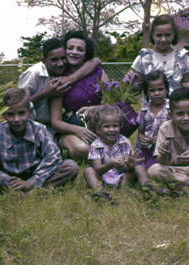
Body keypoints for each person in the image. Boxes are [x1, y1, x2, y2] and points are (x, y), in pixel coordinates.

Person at [130, 14, 189, 138]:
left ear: (173, 34)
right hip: (153, 104)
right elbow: (137, 88)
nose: (163, 39)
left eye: (167, 35)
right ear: (152, 35)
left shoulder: (181, 57)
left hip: (176, 103)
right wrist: (131, 82)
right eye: (159, 35)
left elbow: (186, 85)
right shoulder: (144, 57)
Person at [0, 89, 79, 194]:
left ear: (30, 112)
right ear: (4, 115)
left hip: (36, 174)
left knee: (70, 166)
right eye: (11, 114)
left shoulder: (39, 130)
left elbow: (53, 157)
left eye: (21, 113)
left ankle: (31, 192)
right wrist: (7, 180)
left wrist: (32, 181)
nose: (16, 119)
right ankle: (23, 192)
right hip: (10, 179)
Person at [18, 38, 101, 138]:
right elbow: (18, 104)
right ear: (44, 61)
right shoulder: (33, 73)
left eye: (63, 58)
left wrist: (71, 78)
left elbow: (95, 61)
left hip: (51, 128)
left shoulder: (62, 70)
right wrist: (45, 93)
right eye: (54, 60)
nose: (60, 63)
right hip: (29, 125)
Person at [50, 30, 108, 159]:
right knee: (82, 149)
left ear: (86, 53)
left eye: (80, 49)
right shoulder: (59, 78)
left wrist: (95, 108)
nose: (74, 52)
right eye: (70, 48)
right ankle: (72, 145)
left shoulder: (99, 72)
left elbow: (112, 104)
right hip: (71, 126)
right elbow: (55, 121)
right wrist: (77, 130)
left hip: (96, 121)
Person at [83, 105, 142, 201]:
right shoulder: (96, 145)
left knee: (134, 170)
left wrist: (129, 164)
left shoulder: (124, 141)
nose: (111, 130)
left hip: (121, 177)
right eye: (106, 126)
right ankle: (99, 191)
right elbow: (97, 169)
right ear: (98, 129)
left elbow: (127, 168)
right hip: (102, 179)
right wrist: (110, 164)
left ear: (120, 127)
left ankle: (124, 189)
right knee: (88, 171)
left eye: (115, 126)